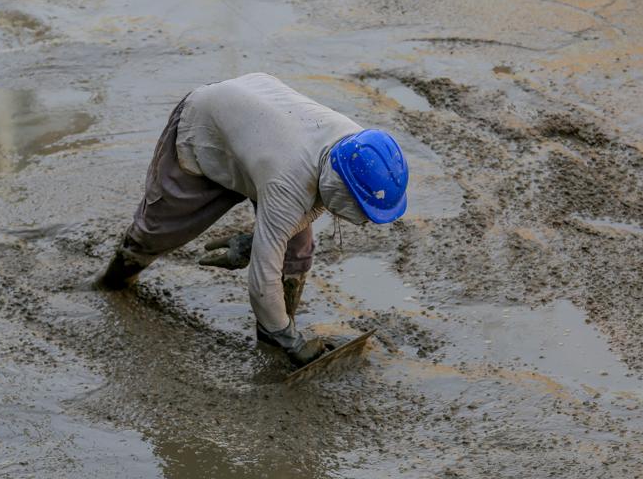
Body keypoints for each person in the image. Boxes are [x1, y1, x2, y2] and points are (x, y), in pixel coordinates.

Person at [97, 72, 409, 366]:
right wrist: (294, 342)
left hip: (264, 129)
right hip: (207, 123)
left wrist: (254, 240)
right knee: (159, 230)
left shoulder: (355, 150)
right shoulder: (288, 184)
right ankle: (113, 284)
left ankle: (271, 336)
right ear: (340, 185)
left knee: (296, 252)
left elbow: (316, 204)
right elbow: (262, 280)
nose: (364, 219)